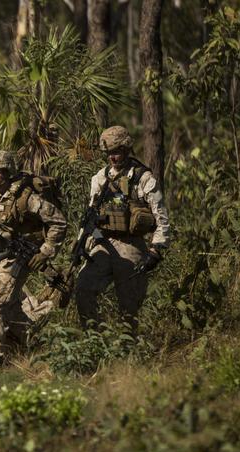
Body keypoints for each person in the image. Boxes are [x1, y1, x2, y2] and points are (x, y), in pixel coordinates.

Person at [0, 150, 67, 371]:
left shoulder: (26, 198)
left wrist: (45, 251)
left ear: (8, 172)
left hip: (17, 259)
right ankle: (36, 342)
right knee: (13, 308)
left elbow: (58, 222)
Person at [74, 125, 171, 330]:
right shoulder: (100, 178)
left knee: (129, 307)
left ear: (126, 149)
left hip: (131, 244)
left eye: (116, 152)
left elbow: (161, 217)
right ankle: (95, 339)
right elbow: (91, 215)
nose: (113, 157)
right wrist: (85, 242)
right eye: (109, 153)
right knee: (83, 288)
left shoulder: (142, 178)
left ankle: (128, 345)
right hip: (104, 242)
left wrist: (156, 250)